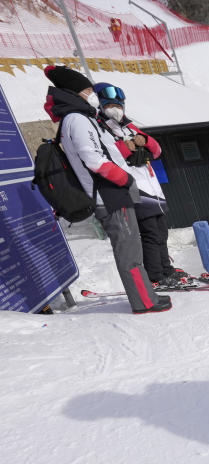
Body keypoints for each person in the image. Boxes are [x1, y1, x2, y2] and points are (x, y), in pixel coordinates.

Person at [42, 65, 170, 314]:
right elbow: (94, 159)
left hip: (113, 192)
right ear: (75, 91)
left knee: (133, 247)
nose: (92, 94)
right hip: (108, 195)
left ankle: (147, 295)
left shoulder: (81, 117)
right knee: (128, 251)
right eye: (88, 90)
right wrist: (126, 179)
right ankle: (144, 302)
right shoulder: (76, 120)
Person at [93, 82, 179, 287]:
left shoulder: (129, 126)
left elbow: (157, 151)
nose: (116, 109)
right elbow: (105, 158)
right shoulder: (99, 129)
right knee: (150, 232)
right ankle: (156, 274)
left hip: (152, 187)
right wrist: (126, 147)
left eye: (119, 105)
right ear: (99, 105)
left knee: (161, 231)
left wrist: (144, 141)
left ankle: (165, 268)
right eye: (109, 105)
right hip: (134, 188)